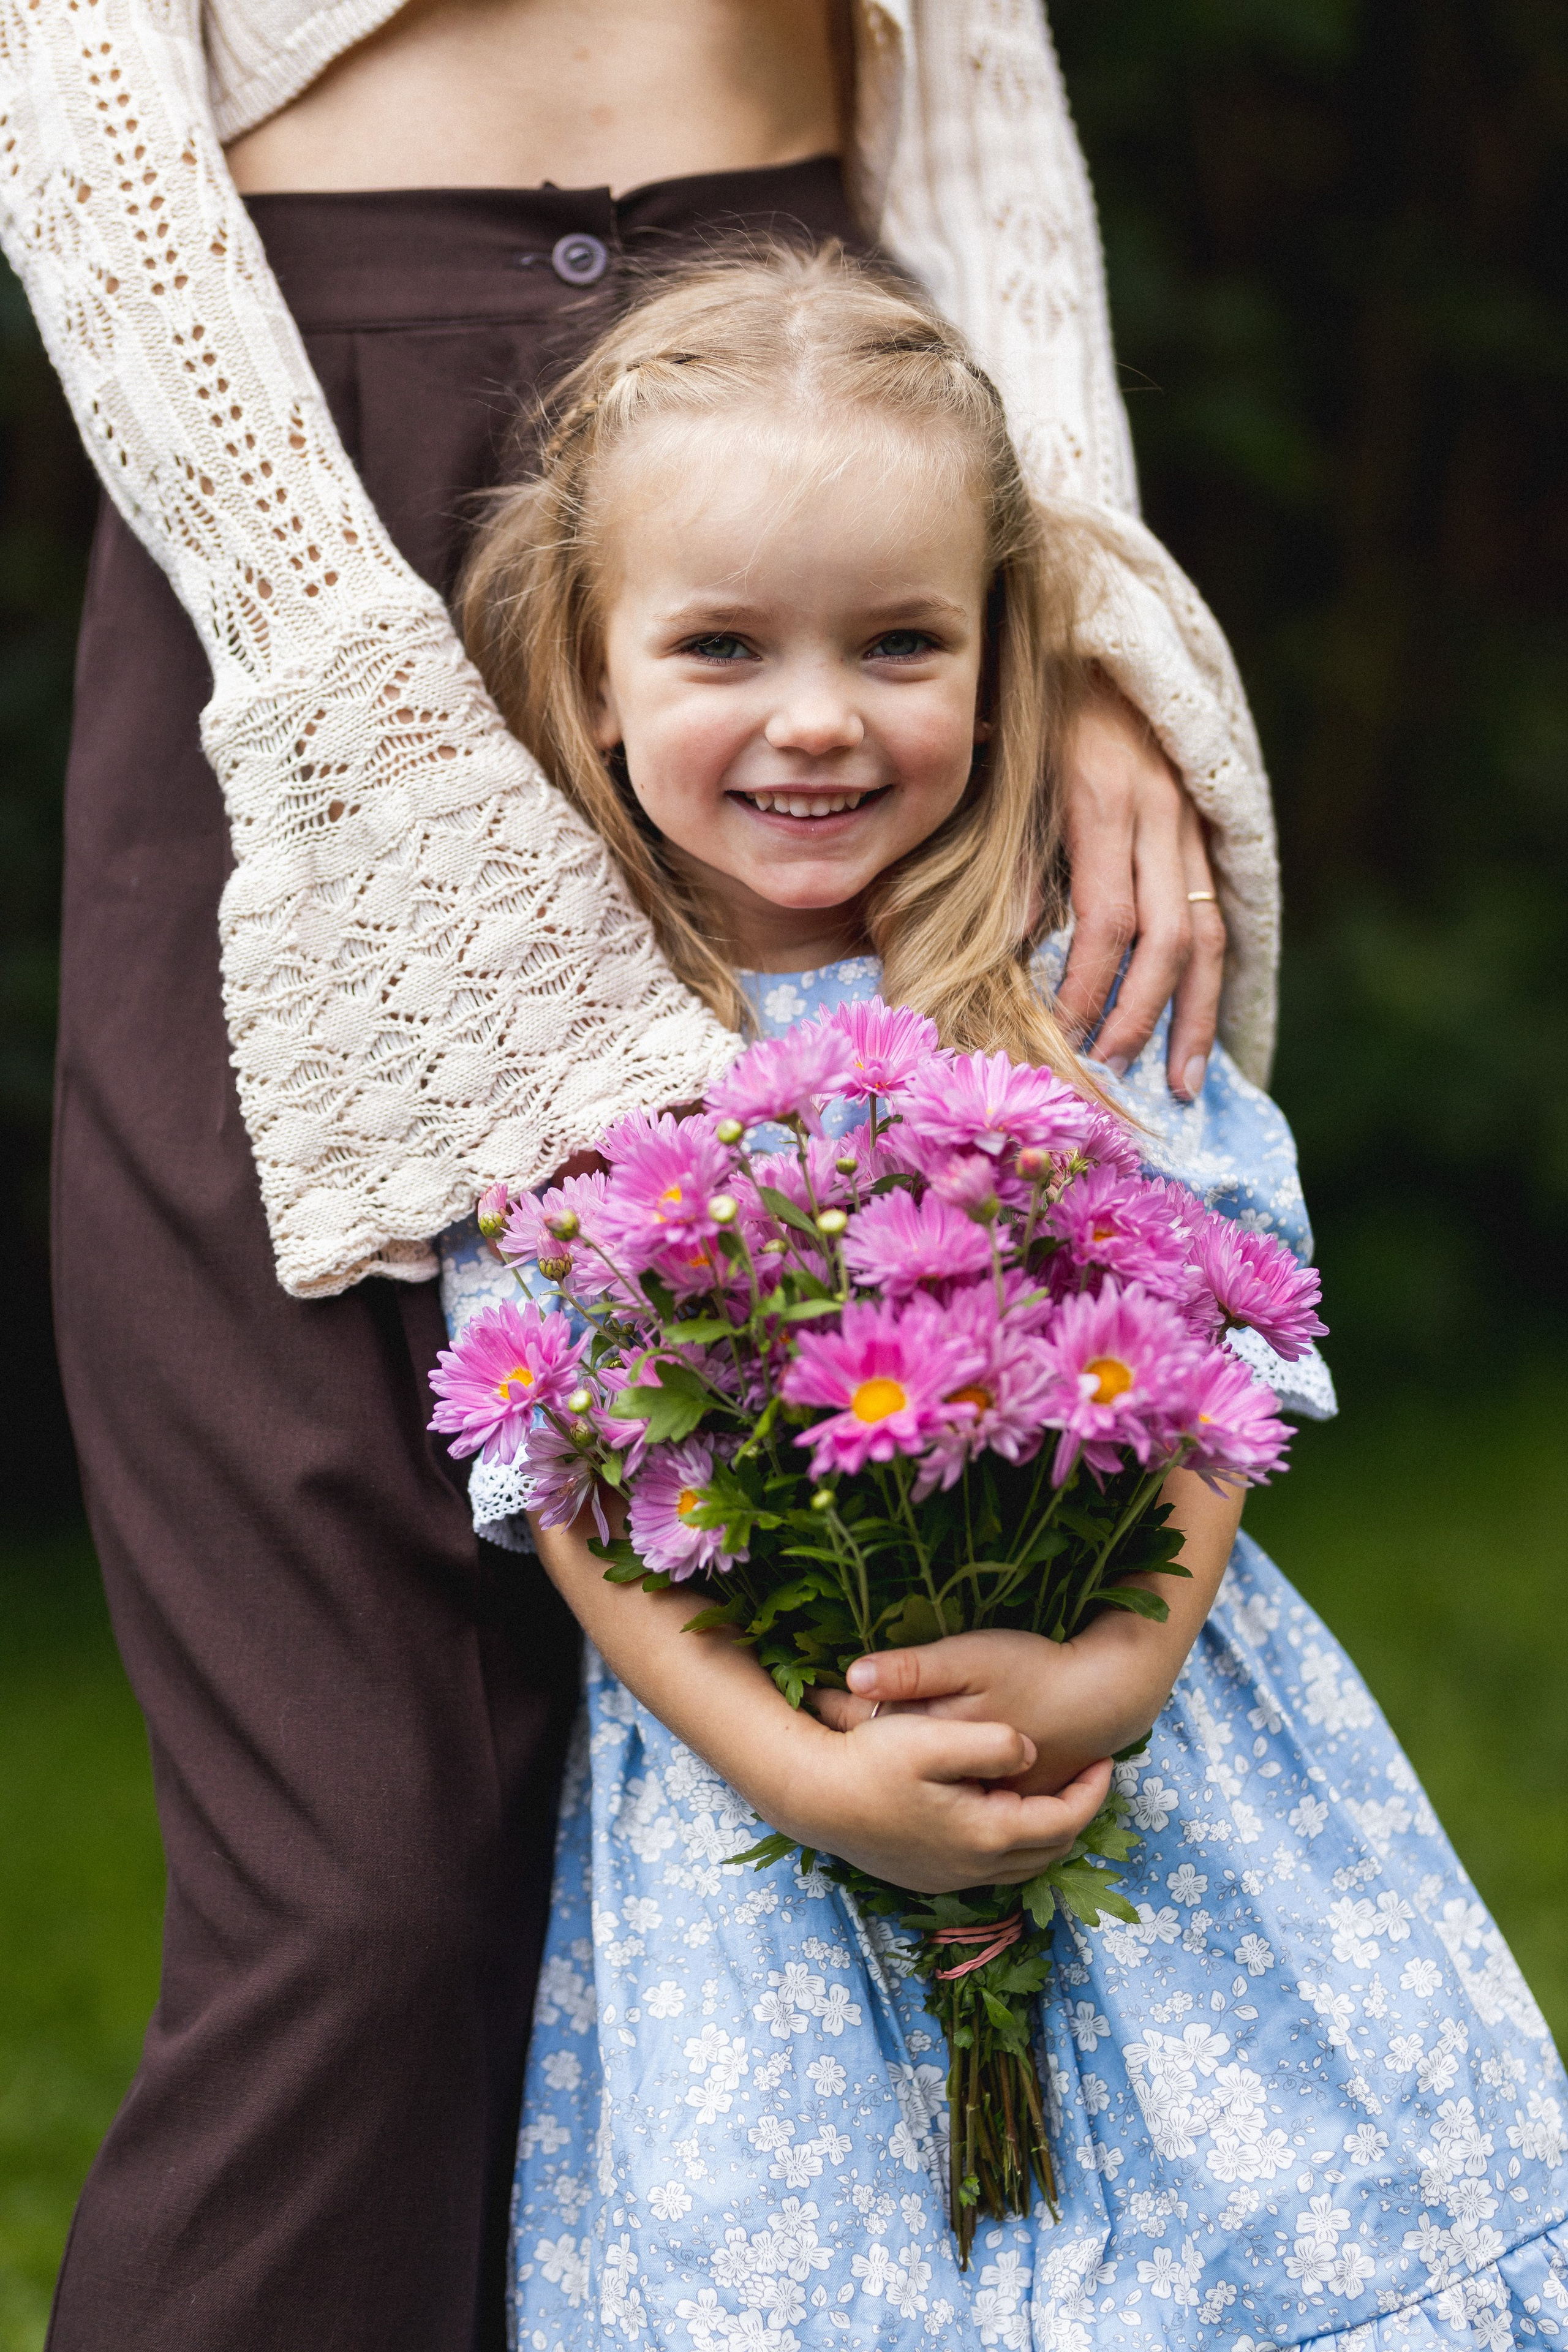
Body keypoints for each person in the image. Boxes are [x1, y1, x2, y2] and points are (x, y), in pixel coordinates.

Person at [0, 6, 1275, 2348]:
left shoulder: (896, 643)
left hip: (814, 445)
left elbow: (971, 88)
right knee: (367, 1884)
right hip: (303, 513)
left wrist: (1064, 610)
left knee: (884, 1843)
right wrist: (381, 731)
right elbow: (74, 115)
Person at [441, 244, 1568, 2351]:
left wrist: (1118, 1671)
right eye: (719, 646)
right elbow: (567, 1480)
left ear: (1007, 658)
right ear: (588, 674)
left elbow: (1222, 1350)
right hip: (762, 1798)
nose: (813, 717)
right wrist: (800, 1776)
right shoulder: (570, 1057)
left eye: (898, 643)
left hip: (1140, 1743)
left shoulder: (1069, 989)